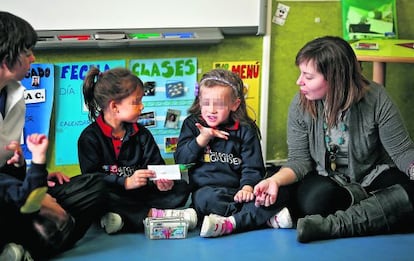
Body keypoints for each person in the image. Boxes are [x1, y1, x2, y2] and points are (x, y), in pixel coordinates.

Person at [254, 36, 414, 243]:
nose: (299, 81)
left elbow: (401, 151)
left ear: (336, 78)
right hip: (327, 178)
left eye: (308, 77)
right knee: (315, 203)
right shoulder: (300, 104)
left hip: (374, 176)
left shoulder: (377, 98)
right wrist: (274, 180)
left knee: (411, 194)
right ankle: (377, 209)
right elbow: (299, 161)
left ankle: (331, 226)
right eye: (301, 73)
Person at [0, 11, 107, 260]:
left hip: (15, 192)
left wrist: (36, 177)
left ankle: (21, 246)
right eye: (27, 52)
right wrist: (29, 192)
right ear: (7, 59)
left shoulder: (16, 93)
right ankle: (38, 237)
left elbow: (7, 161)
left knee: (93, 187)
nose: (33, 58)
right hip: (6, 198)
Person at [174, 68, 292, 238]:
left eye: (219, 104)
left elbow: (253, 166)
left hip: (241, 190)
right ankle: (260, 218)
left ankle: (229, 222)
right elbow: (181, 159)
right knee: (204, 199)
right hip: (209, 192)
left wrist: (247, 187)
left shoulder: (246, 129)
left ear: (234, 104)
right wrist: (202, 139)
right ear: (199, 101)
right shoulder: (192, 124)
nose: (211, 110)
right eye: (206, 103)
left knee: (280, 191)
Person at [78, 67, 195, 235]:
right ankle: (155, 215)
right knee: (93, 195)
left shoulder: (142, 134)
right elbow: (91, 178)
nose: (142, 106)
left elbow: (156, 166)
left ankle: (120, 220)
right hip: (112, 193)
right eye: (136, 102)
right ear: (114, 106)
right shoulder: (89, 138)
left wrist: (161, 181)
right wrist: (125, 182)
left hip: (139, 195)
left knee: (181, 188)